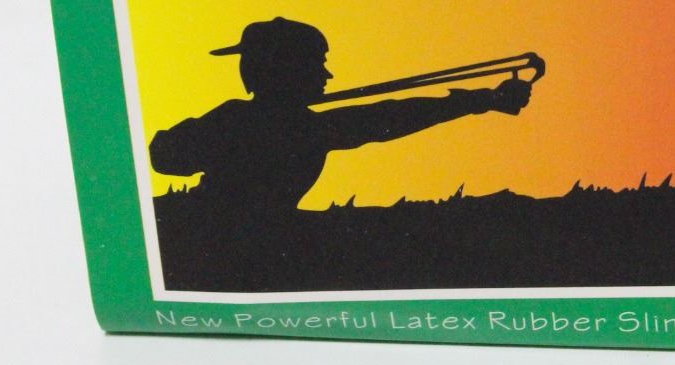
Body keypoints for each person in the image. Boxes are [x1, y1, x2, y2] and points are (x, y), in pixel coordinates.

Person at [149, 17, 531, 217]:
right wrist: (485, 100)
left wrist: (484, 99)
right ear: (287, 69)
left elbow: (390, 115)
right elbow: (164, 156)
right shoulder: (268, 124)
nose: (327, 75)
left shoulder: (275, 123)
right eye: (318, 64)